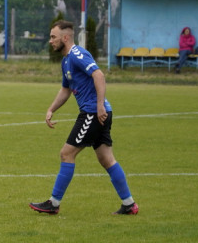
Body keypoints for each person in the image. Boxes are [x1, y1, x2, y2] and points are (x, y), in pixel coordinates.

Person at [29, 20, 138, 216]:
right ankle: (129, 204)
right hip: (97, 111)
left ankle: (53, 203)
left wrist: (98, 106)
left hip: (92, 113)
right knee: (106, 158)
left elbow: (99, 75)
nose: (50, 41)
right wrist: (51, 109)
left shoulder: (78, 54)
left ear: (65, 37)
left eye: (53, 37)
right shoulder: (66, 61)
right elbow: (66, 89)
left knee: (66, 153)